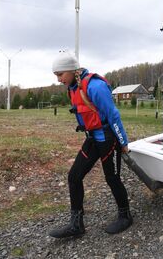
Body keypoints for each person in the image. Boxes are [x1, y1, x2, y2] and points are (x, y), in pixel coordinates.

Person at [48, 51, 133, 238]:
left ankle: (125, 216)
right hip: (93, 139)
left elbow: (113, 115)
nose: (58, 80)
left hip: (108, 139)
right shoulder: (73, 87)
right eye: (56, 76)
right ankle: (76, 225)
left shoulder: (95, 86)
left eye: (60, 75)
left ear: (71, 70)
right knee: (74, 177)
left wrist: (123, 142)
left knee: (112, 178)